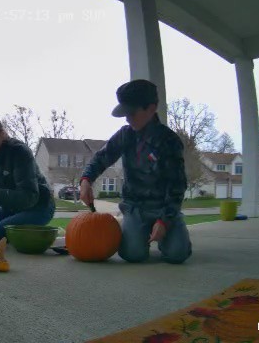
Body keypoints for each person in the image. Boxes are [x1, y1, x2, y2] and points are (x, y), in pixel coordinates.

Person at [79, 79, 192, 264]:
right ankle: (139, 232)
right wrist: (86, 180)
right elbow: (101, 158)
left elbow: (177, 186)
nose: (127, 118)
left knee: (177, 255)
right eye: (125, 113)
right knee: (132, 254)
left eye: (132, 112)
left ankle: (170, 233)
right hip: (135, 207)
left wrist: (165, 220)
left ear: (151, 108)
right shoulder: (125, 135)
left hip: (164, 207)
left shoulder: (170, 141)